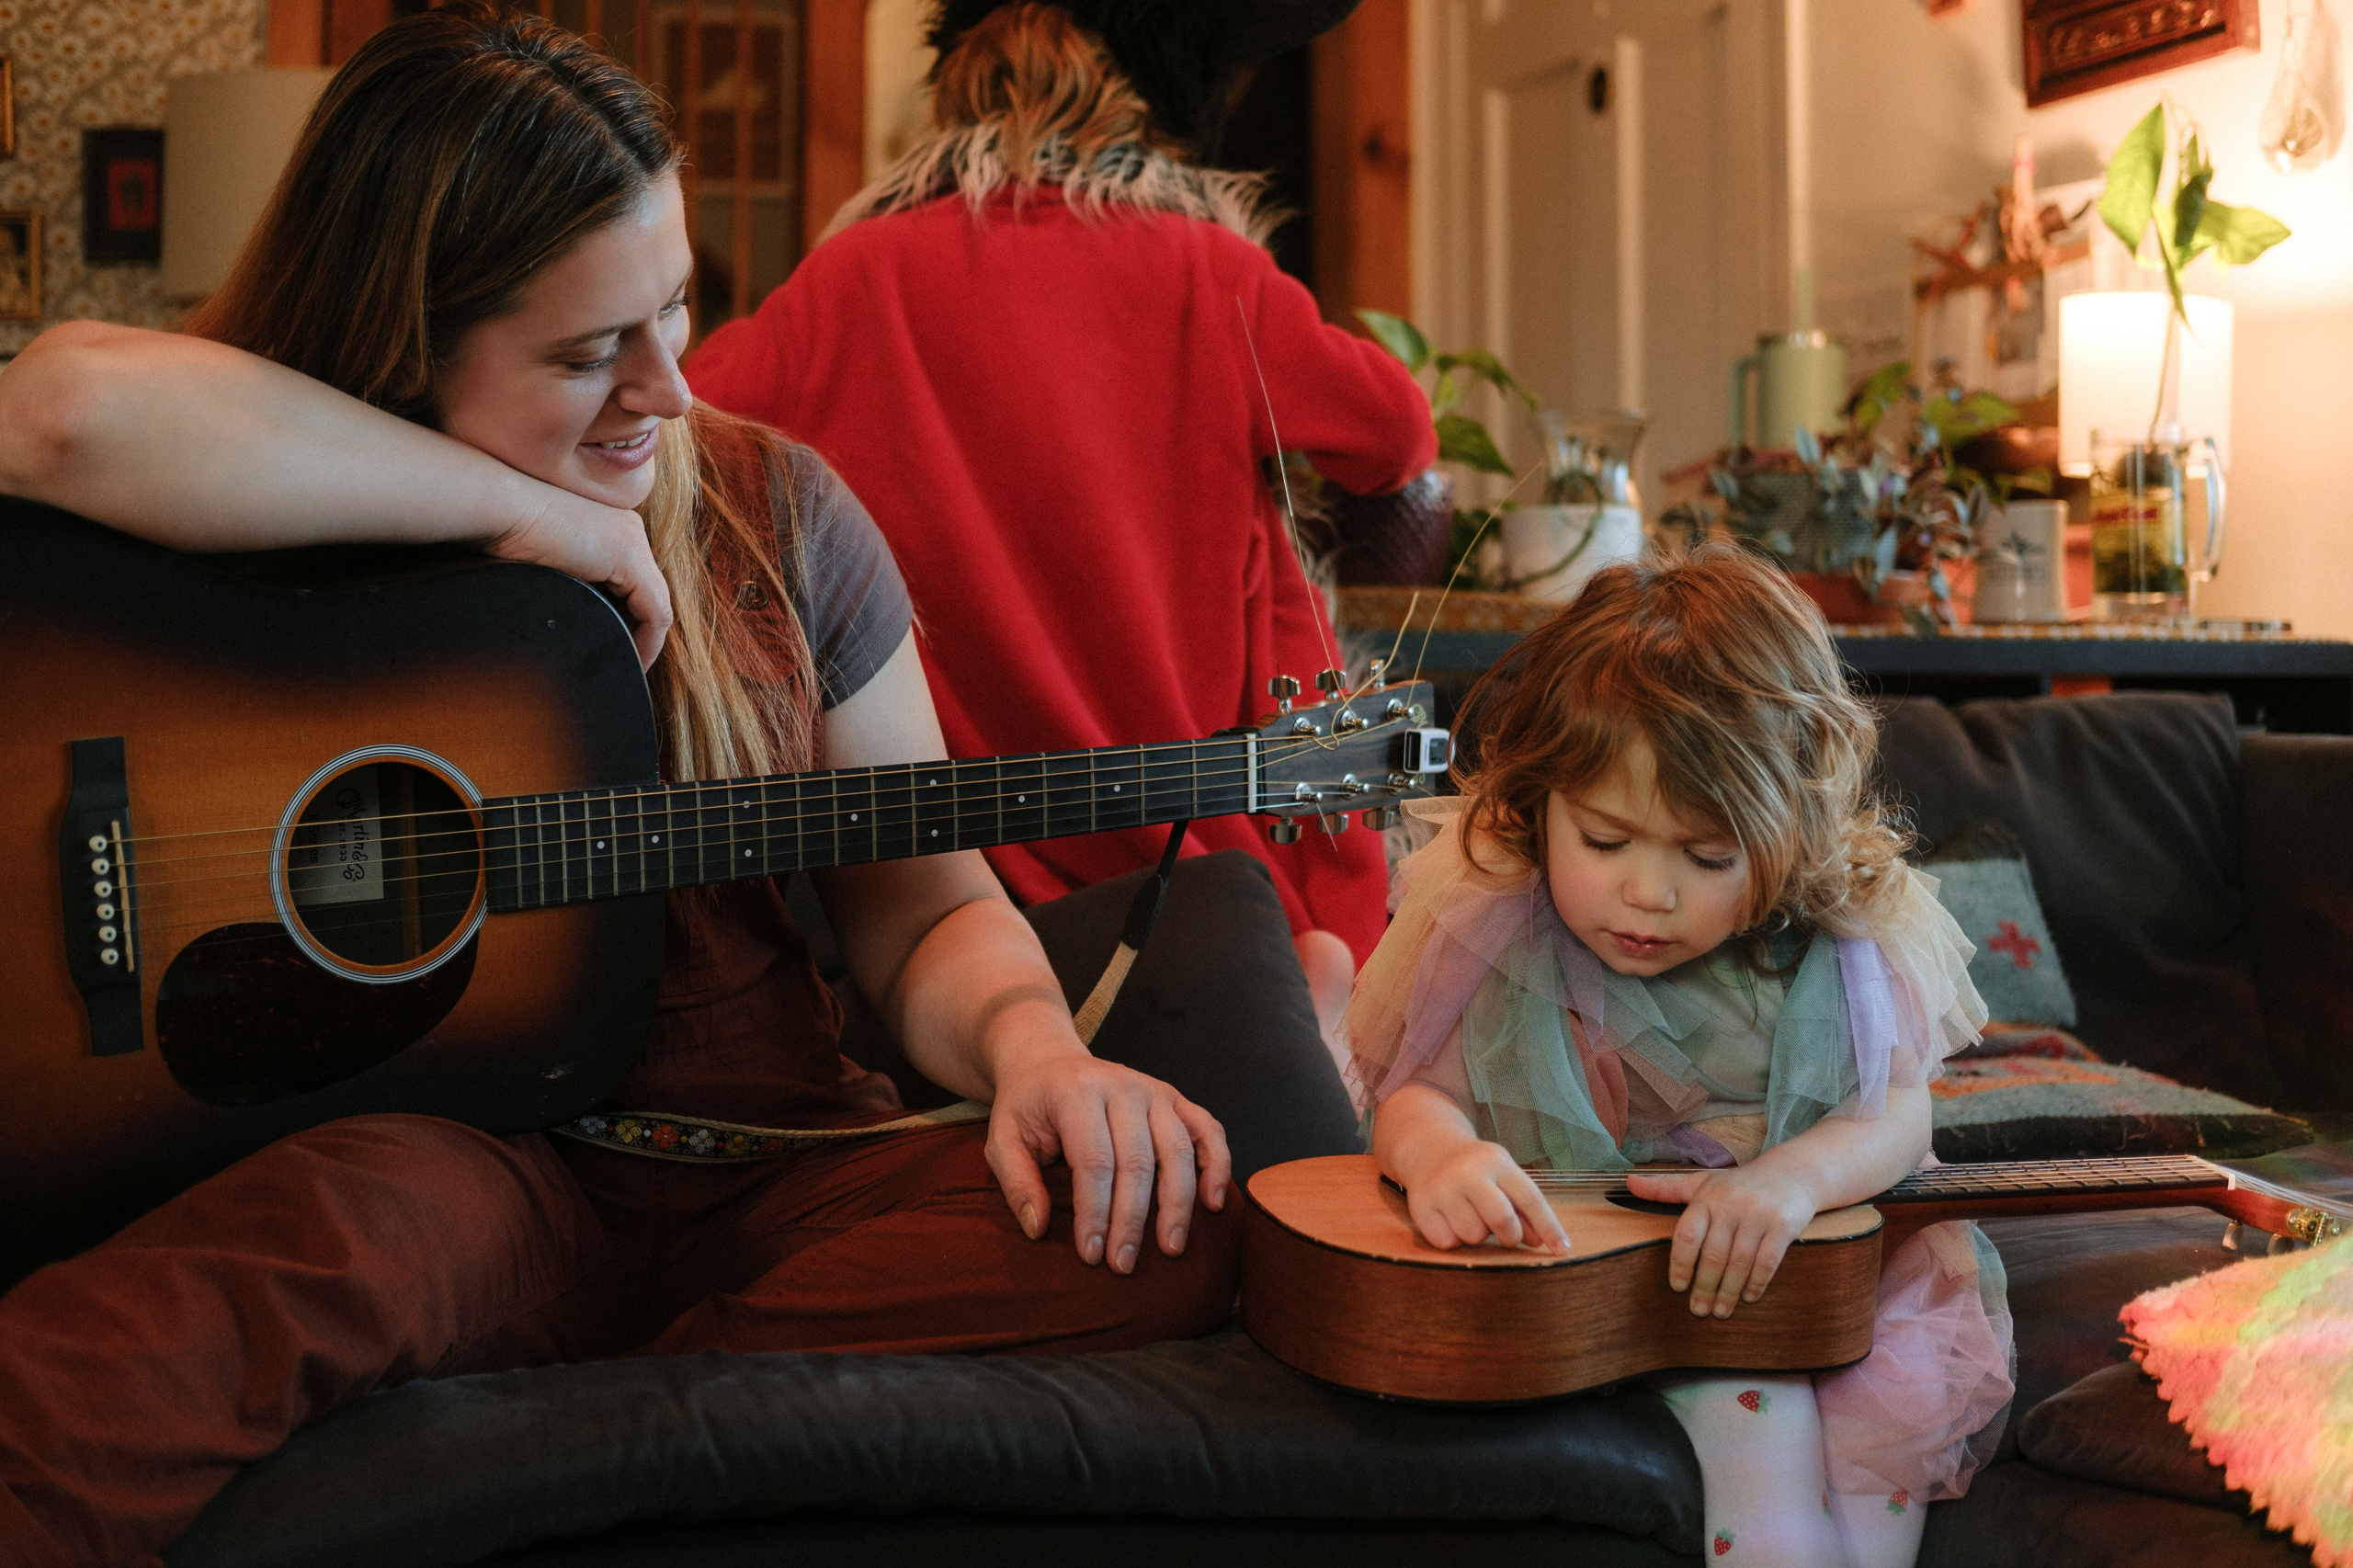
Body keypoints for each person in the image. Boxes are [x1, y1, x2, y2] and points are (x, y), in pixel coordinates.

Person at [0, 9, 1234, 1563]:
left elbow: (923, 911)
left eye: (674, 308)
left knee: (1162, 1228)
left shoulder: (781, 515)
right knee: (316, 1250)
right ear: (404, 342)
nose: (668, 390)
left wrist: (1036, 1048)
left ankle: (592, 1421)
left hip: (766, 1171)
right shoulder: (267, 478)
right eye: (588, 354)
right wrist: (526, 519)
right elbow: (53, 412)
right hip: (461, 1162)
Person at [686, 1, 1436, 1040]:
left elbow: (673, 428)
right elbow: (1396, 430)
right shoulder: (1207, 270)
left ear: (950, 101)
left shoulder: (851, 279)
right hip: (1190, 854)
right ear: (1144, 109)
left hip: (947, 888)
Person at [1345, 547, 2013, 1568]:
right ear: (1540, 800)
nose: (1647, 895)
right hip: (1640, 1301)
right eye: (1605, 840)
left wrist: (1788, 1182)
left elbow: (1900, 1112)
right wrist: (1440, 1155)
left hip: (1831, 1278)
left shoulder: (1838, 942)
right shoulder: (1506, 930)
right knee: (1761, 1426)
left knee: (1879, 1453)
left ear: (1785, 829)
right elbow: (1412, 1096)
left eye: (1706, 857)